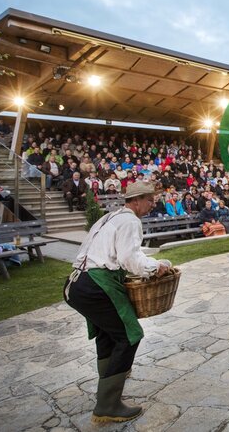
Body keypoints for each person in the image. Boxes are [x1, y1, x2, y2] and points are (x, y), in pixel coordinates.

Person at [63, 181, 171, 424]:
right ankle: (108, 405)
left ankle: (110, 377)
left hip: (77, 284)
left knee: (107, 333)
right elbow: (129, 258)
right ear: (136, 200)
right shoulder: (131, 220)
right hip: (97, 285)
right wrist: (156, 267)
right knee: (129, 335)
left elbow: (119, 253)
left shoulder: (109, 218)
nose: (153, 204)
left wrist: (150, 261)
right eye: (150, 200)